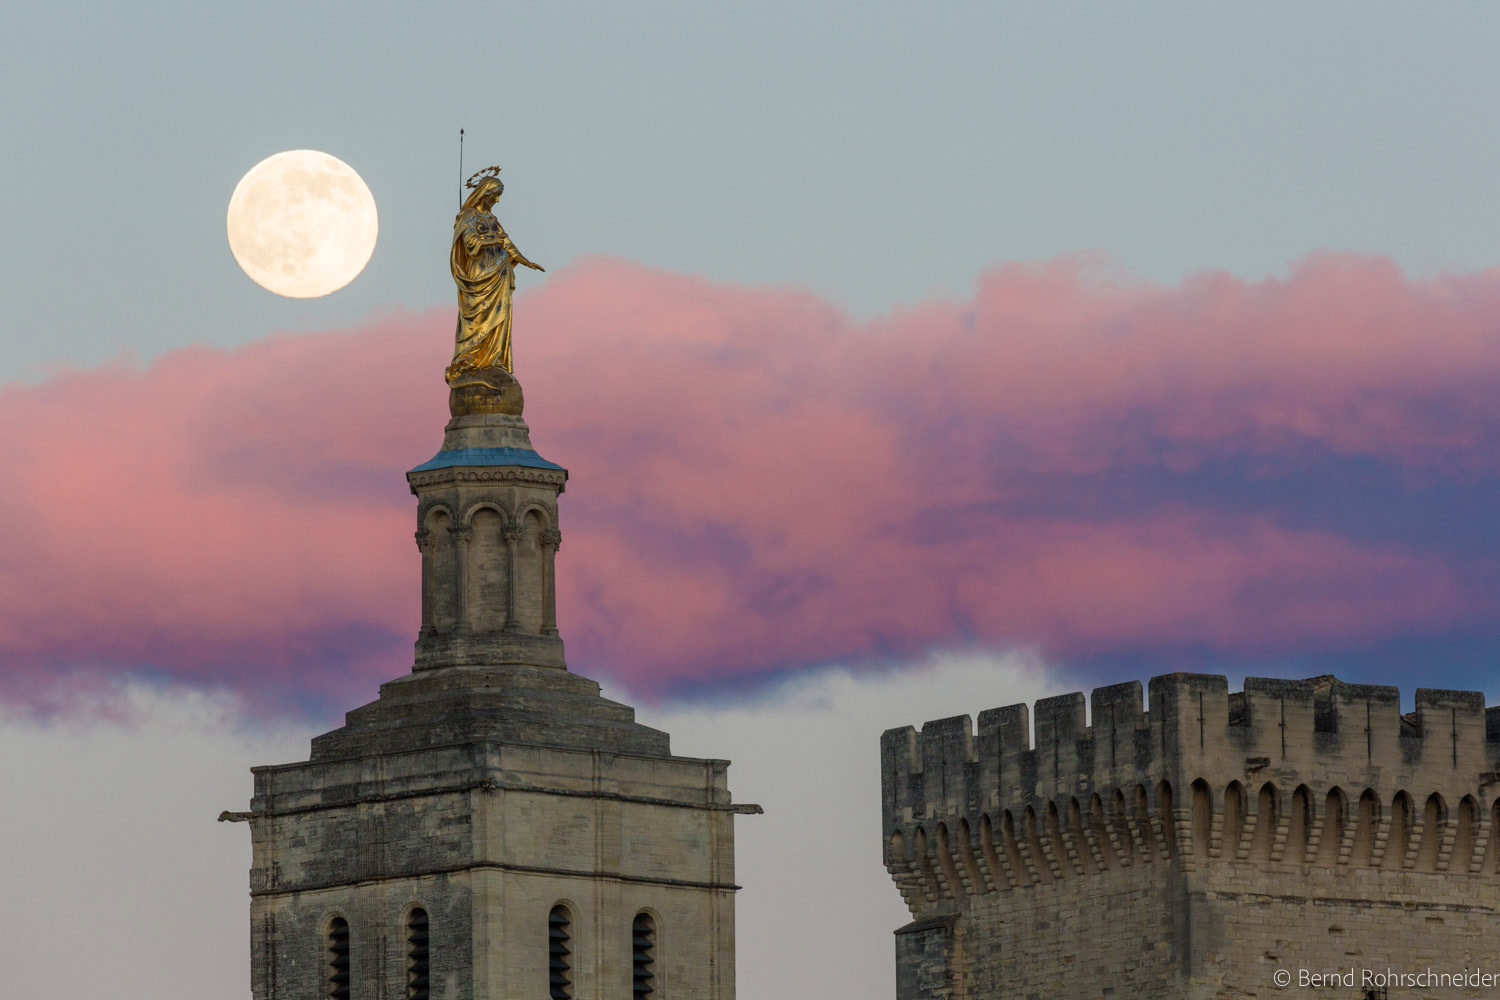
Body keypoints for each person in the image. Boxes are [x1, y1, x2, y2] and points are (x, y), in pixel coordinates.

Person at [446, 170, 544, 382]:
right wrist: (493, 240)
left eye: (499, 195)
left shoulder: (491, 218)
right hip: (480, 274)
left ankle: (492, 358)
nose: (497, 200)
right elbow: (472, 244)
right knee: (478, 316)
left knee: (500, 315)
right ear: (484, 193)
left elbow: (506, 242)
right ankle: (471, 359)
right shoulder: (469, 217)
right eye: (494, 195)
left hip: (498, 273)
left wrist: (525, 260)